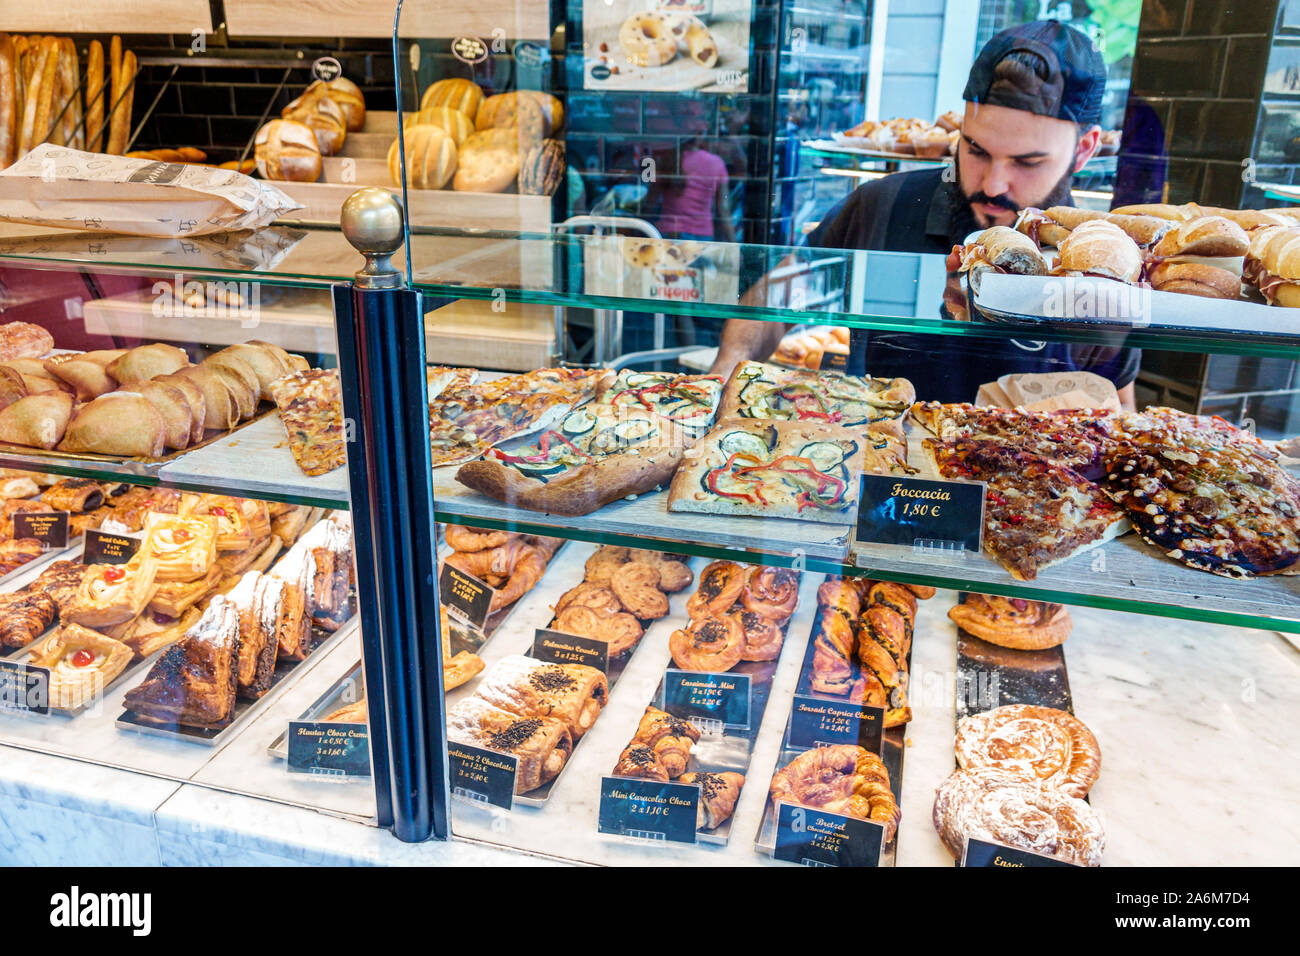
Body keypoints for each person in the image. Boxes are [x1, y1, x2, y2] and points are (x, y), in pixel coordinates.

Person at [709, 21, 1138, 408]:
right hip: (883, 464)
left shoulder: (1097, 264)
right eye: (976, 150)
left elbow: (1117, 404)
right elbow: (783, 290)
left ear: (1085, 150)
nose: (992, 184)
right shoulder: (883, 203)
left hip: (1024, 483)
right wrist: (728, 365)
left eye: (1027, 162)